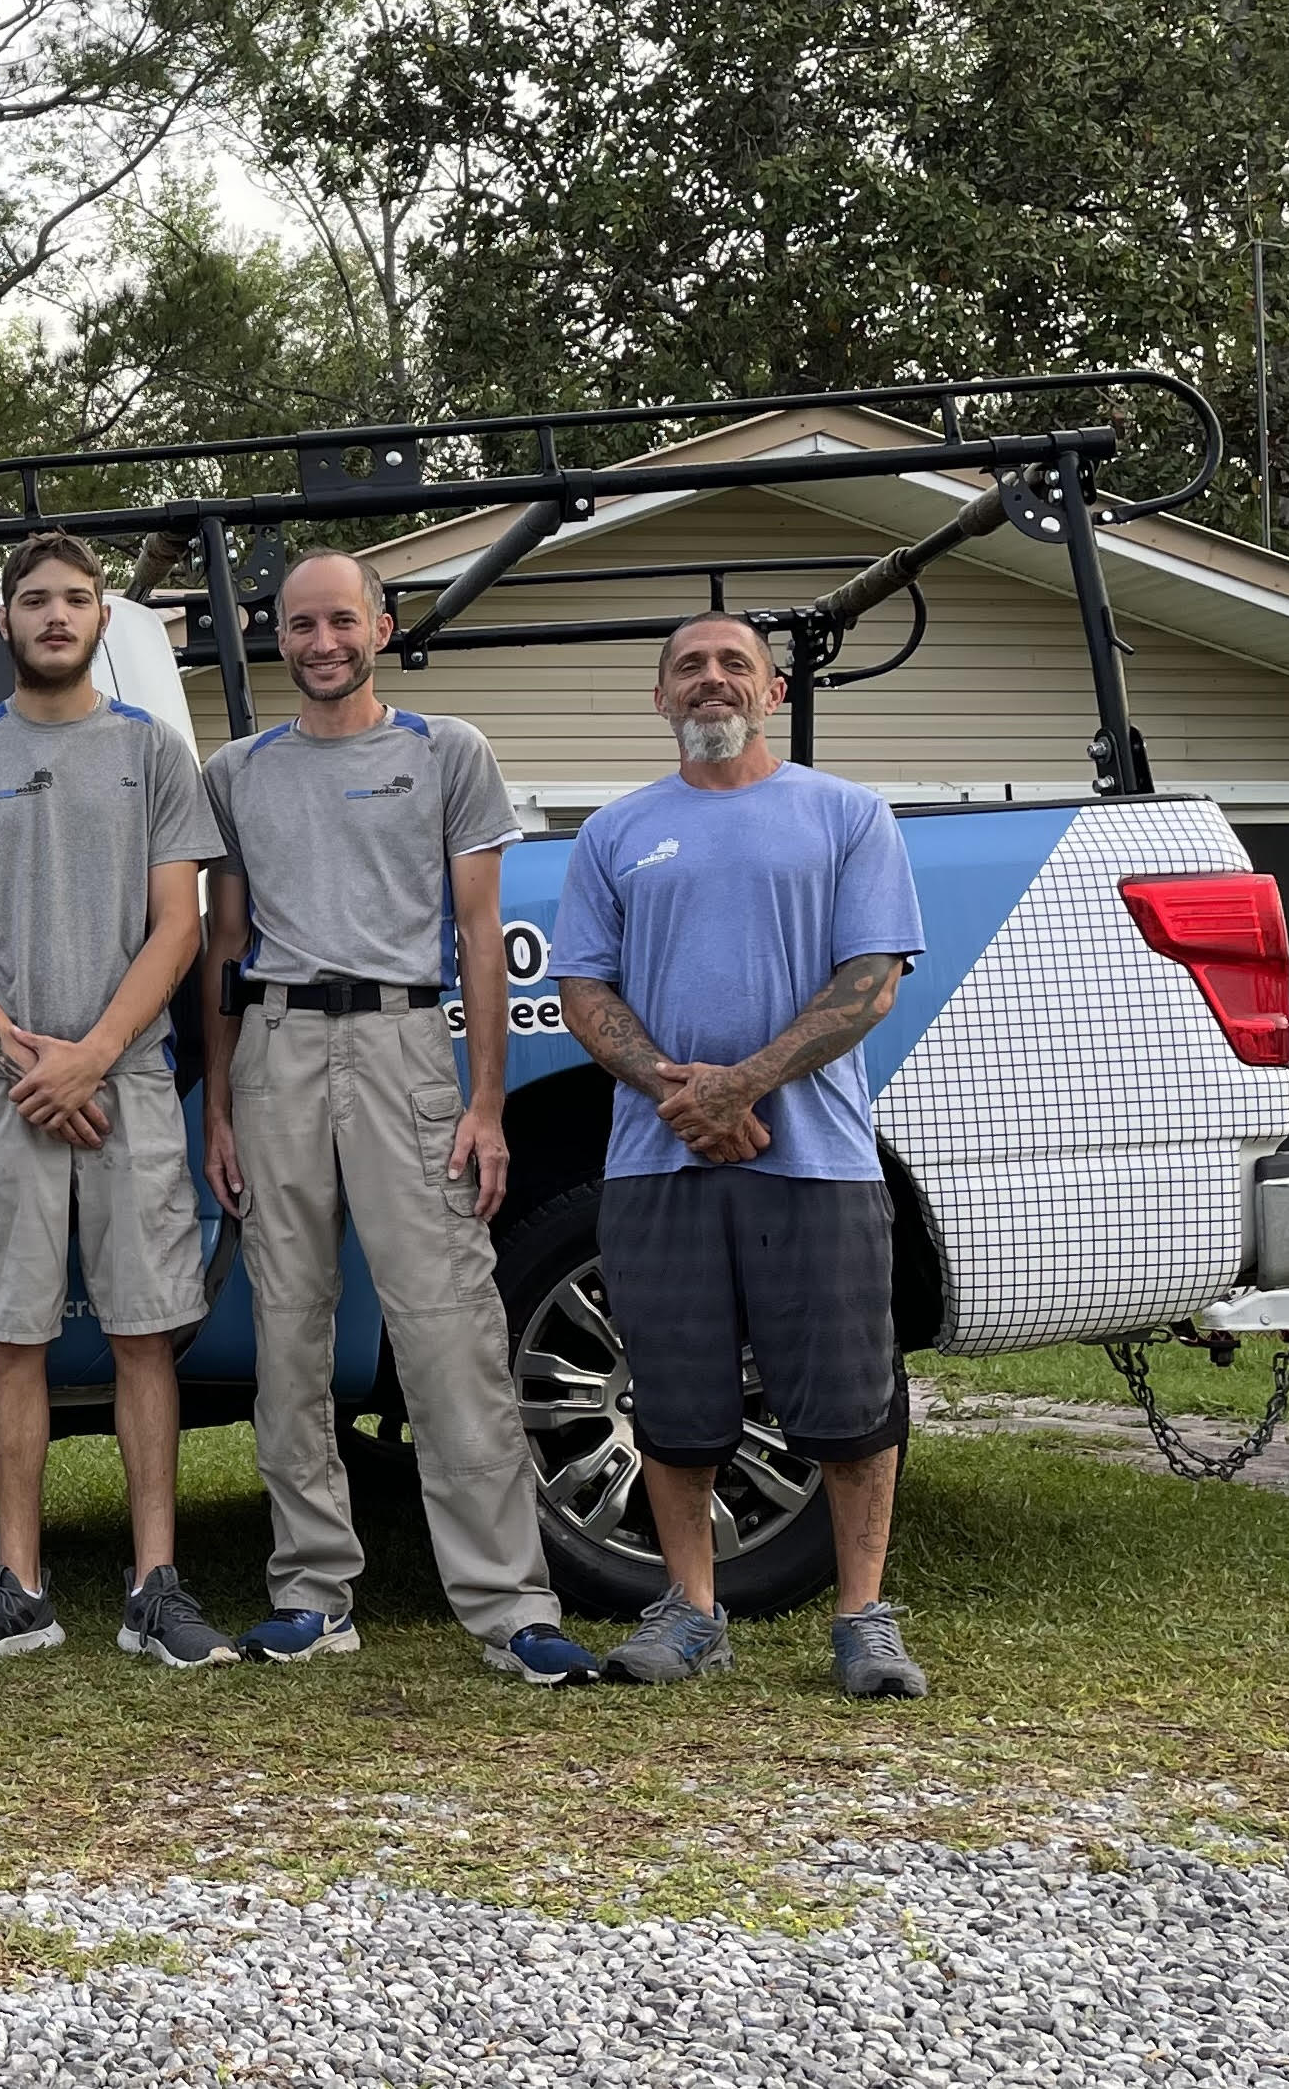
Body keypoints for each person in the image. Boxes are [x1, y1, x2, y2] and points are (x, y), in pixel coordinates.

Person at [195, 553, 604, 1685]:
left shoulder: (446, 753)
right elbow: (224, 946)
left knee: (448, 1329)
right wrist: (221, 1108)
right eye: (299, 625)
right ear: (276, 638)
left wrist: (485, 1102)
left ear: (382, 624)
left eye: (341, 620)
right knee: (288, 1330)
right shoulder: (236, 773)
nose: (322, 642)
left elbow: (480, 938)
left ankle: (511, 1606)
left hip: (404, 1047)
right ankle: (312, 1592)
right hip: (277, 1048)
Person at [550, 611, 931, 1698]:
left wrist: (743, 1084)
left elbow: (872, 978)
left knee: (853, 1401)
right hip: (659, 1163)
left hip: (817, 1164)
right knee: (673, 1397)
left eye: (734, 666)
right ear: (659, 697)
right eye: (688, 667)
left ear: (770, 693)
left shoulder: (847, 815)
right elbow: (585, 989)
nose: (711, 681)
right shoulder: (614, 834)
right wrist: (684, 1097)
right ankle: (691, 1611)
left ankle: (864, 1618)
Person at [0, 531, 234, 1671]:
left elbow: (179, 925)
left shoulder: (151, 754)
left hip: (126, 1078)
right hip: (9, 1086)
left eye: (76, 599)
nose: (55, 615)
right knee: (13, 1340)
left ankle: (154, 1587)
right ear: (4, 620)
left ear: (99, 619)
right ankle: (22, 1591)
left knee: (146, 1335)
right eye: (33, 599)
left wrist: (91, 1054)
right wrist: (27, 1062)